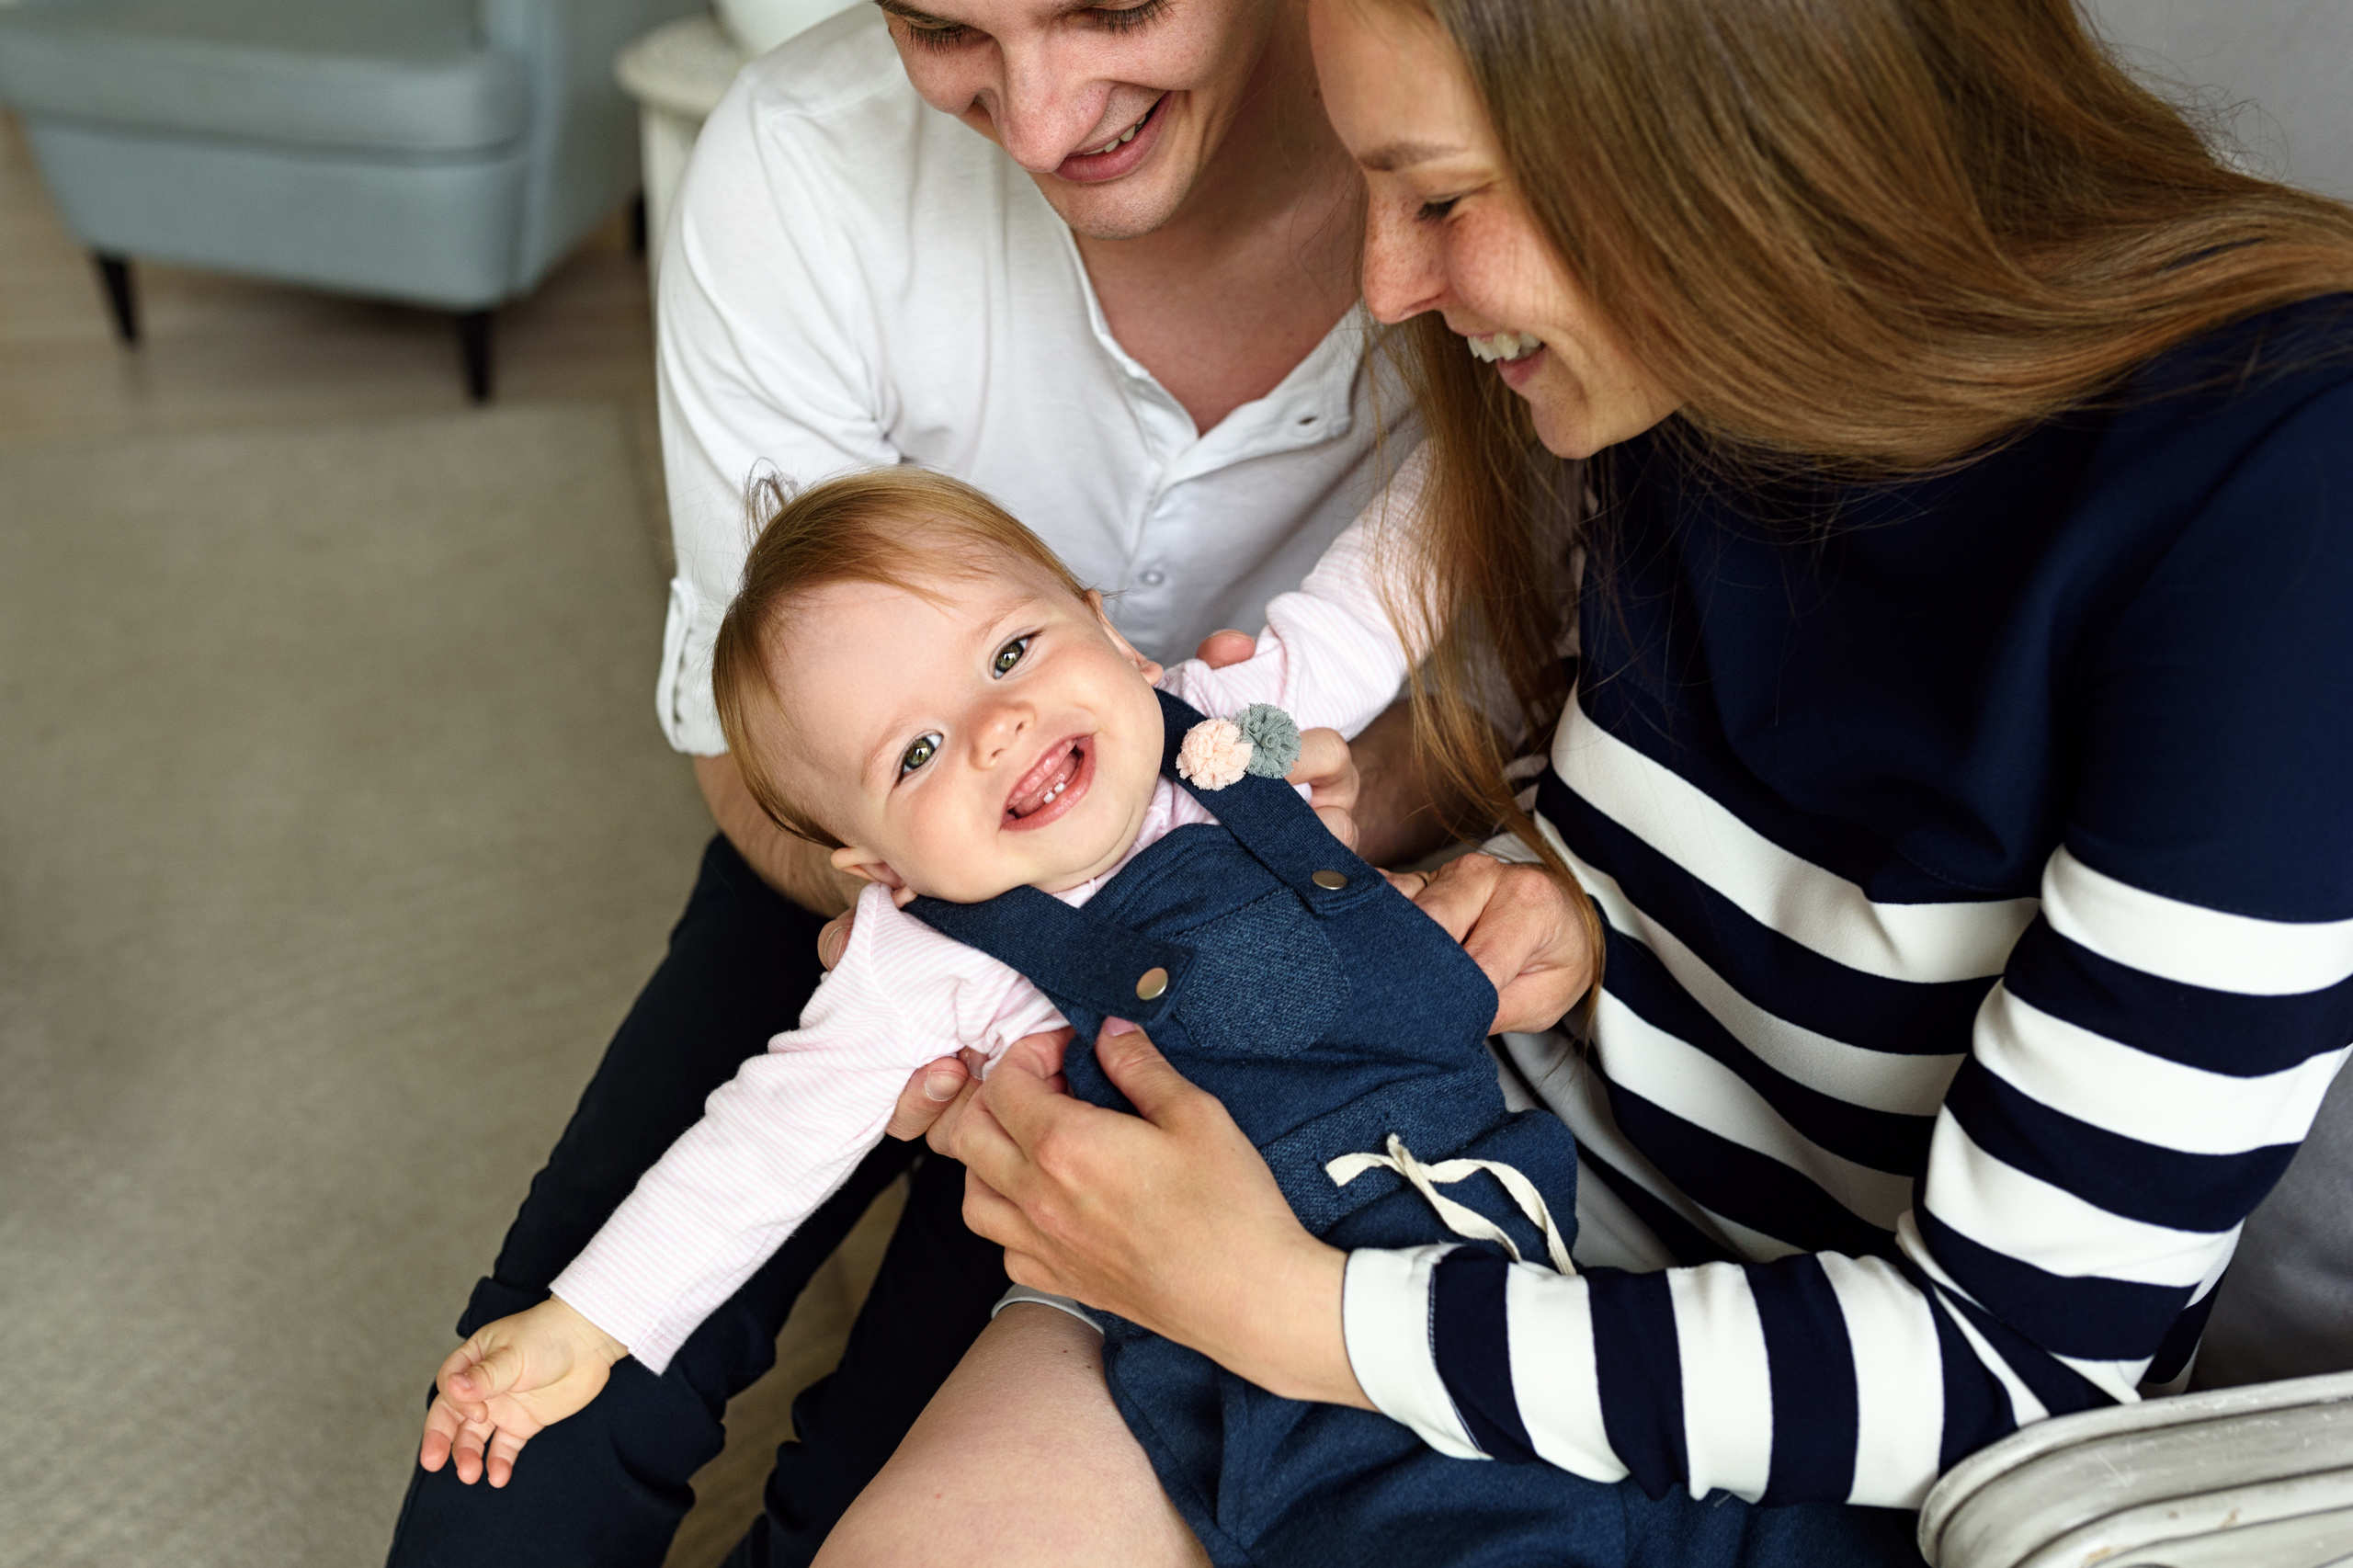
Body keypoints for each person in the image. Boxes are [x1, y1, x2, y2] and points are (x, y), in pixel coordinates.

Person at [820, 0, 2353, 1562]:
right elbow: (1649, 814)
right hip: (1431, 1188)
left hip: (1787, 1420)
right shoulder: (1681, 357)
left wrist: (1293, 1309)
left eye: (1440, 197)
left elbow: (2009, 1367)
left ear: (1731, 136)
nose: (1385, 288)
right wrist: (1536, 893)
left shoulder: (2285, 497)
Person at [383, 0, 1573, 1562]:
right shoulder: (802, 167)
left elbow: (1401, 582)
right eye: (948, 30)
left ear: (1097, 620)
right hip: (904, 904)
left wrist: (1270, 811)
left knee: (905, 1447)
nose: (1037, 115)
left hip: (1236, 954)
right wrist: (589, 1319)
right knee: (531, 1409)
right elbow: (761, 1099)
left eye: (1111, 10)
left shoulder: (1227, 701)